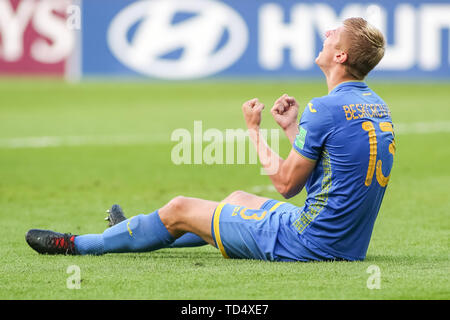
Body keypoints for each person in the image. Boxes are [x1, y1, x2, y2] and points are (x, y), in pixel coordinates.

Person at [26, 17, 394, 262]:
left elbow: (285, 185)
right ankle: (134, 230)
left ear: (340, 55)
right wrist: (290, 129)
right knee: (234, 199)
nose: (327, 33)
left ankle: (77, 244)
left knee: (180, 208)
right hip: (345, 243)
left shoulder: (325, 108)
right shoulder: (376, 106)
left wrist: (253, 129)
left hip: (308, 243)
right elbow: (331, 171)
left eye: (334, 34)